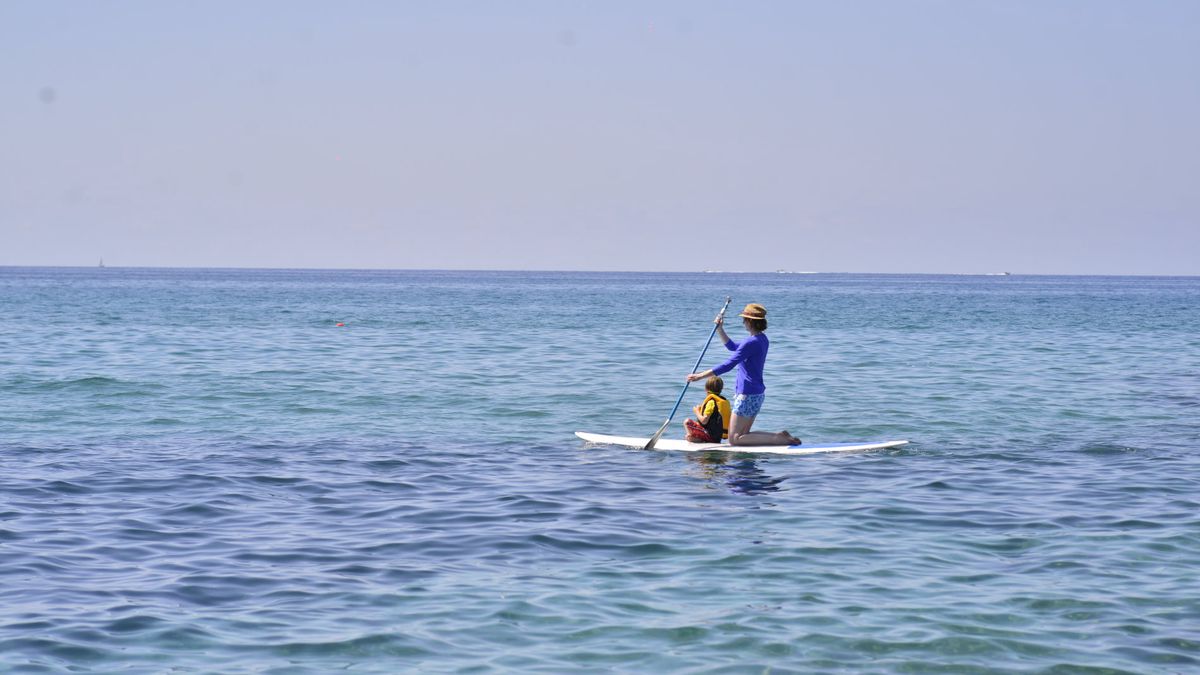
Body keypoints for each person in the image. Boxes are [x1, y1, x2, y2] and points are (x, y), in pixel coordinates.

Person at [685, 303, 802, 446]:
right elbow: (733, 347)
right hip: (757, 394)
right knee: (742, 435)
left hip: (746, 395)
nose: (743, 322)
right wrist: (720, 329)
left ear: (750, 321)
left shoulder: (750, 342)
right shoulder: (762, 339)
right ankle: (780, 436)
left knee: (734, 439)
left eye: (744, 319)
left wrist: (700, 376)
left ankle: (779, 439)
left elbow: (729, 364)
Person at [683, 375, 730, 443]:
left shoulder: (711, 402)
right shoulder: (723, 401)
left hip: (710, 436)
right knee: (689, 436)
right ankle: (698, 439)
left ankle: (700, 439)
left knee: (687, 422)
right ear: (721, 388)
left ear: (706, 388)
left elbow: (704, 421)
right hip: (717, 437)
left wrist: (697, 412)